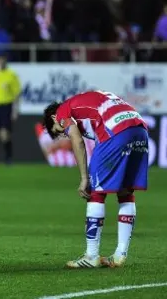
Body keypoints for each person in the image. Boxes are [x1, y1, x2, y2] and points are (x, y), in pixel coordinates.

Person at [43, 90, 149, 269]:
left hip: (115, 131)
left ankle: (91, 255)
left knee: (95, 193)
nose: (64, 133)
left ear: (54, 118)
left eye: (59, 131)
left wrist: (84, 177)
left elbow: (77, 141)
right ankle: (120, 254)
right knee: (126, 191)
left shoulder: (62, 111)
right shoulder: (84, 101)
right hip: (139, 129)